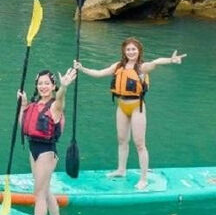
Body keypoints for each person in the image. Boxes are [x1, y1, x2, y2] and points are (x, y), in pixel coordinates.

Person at [75, 38, 186, 190]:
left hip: (137, 107)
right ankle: (121, 170)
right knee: (122, 140)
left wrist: (170, 60)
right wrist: (82, 68)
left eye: (134, 49)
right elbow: (99, 73)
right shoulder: (118, 66)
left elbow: (156, 62)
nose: (131, 52)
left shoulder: (142, 67)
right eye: (128, 49)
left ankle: (144, 178)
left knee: (140, 144)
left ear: (139, 51)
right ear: (124, 51)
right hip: (121, 106)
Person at [17, 67, 77, 215]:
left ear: (53, 86)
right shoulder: (34, 105)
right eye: (40, 83)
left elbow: (61, 99)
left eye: (47, 83)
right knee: (46, 190)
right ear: (36, 85)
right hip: (33, 149)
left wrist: (64, 87)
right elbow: (23, 125)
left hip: (47, 152)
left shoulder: (55, 105)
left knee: (39, 194)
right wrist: (23, 105)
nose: (43, 86)